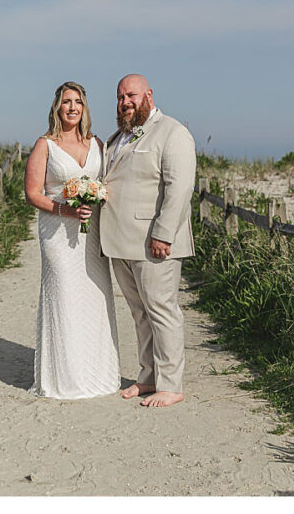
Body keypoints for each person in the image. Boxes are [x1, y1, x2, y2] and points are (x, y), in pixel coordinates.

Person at [98, 74, 196, 408]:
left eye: (132, 96)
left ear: (149, 96)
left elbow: (179, 187)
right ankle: (149, 377)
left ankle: (171, 384)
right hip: (121, 243)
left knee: (162, 312)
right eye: (120, 97)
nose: (125, 102)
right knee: (140, 313)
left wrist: (164, 234)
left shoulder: (172, 133)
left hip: (155, 243)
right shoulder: (117, 138)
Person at [23, 81, 120, 399]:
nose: (72, 107)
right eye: (66, 102)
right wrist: (65, 210)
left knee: (95, 296)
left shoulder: (98, 145)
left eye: (78, 102)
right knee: (64, 295)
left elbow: (107, 184)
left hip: (91, 236)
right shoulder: (45, 145)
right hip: (57, 234)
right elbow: (32, 194)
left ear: (85, 107)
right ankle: (65, 379)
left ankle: (98, 374)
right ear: (57, 107)